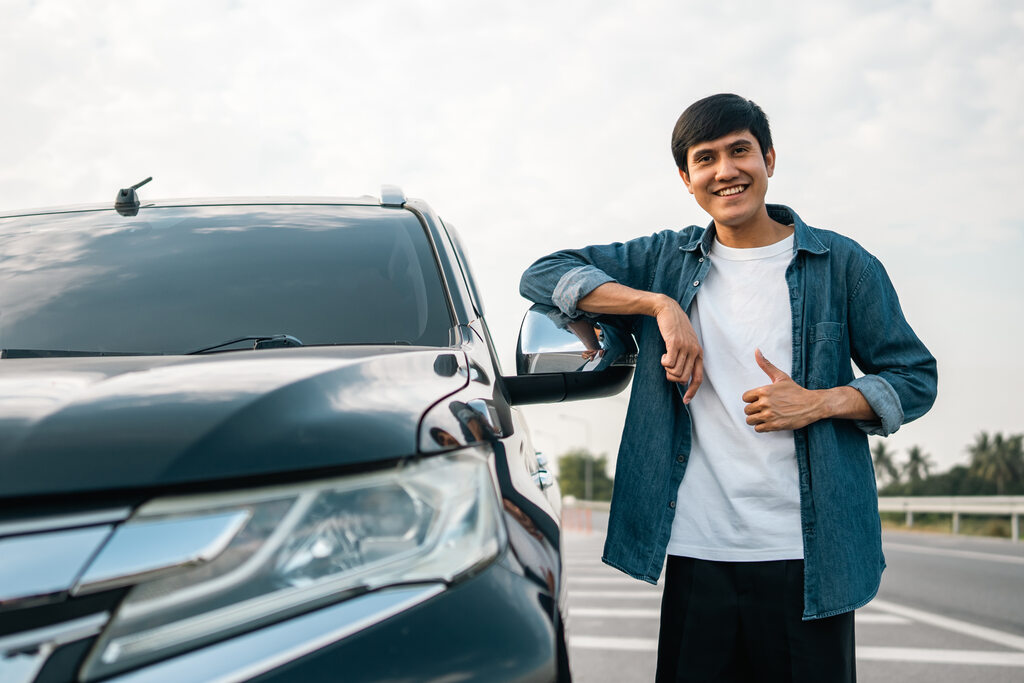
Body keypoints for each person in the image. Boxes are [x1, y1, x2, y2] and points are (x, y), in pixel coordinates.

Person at [519, 93, 937, 682]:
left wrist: (819, 402)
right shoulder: (666, 260)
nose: (725, 171)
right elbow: (542, 274)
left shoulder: (842, 264)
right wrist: (659, 305)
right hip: (699, 550)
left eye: (739, 151)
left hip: (808, 557)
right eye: (705, 159)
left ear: (768, 158)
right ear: (687, 179)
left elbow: (915, 376)